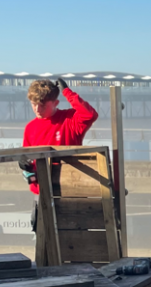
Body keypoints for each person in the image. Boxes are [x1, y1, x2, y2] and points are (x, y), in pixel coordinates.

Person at [19, 78, 99, 225]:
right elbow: (28, 161)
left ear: (55, 103)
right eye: (33, 104)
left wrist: (67, 92)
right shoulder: (30, 128)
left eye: (42, 105)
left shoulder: (70, 120)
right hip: (41, 194)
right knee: (41, 240)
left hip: (70, 193)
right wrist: (25, 165)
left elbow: (90, 114)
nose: (37, 109)